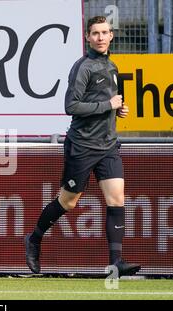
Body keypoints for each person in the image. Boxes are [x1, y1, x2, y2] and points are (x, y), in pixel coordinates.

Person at [25, 16, 141, 278]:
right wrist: (107, 106)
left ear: (111, 36)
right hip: (82, 145)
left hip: (108, 146)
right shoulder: (83, 67)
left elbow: (105, 103)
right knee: (68, 202)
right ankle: (34, 238)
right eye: (95, 33)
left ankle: (116, 262)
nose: (100, 37)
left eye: (105, 32)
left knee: (116, 199)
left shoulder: (112, 66)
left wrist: (118, 110)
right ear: (87, 37)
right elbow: (71, 106)